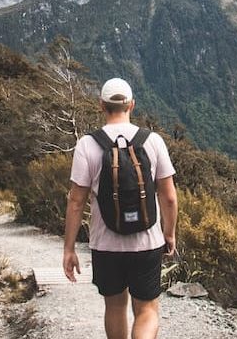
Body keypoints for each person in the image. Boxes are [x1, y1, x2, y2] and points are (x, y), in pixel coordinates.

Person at [63, 77, 179, 339]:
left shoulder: (87, 145)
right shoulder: (153, 141)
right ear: (132, 105)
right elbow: (169, 197)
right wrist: (168, 234)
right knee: (147, 310)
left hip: (106, 245)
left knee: (114, 307)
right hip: (147, 242)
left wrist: (69, 248)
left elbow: (76, 201)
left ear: (101, 106)